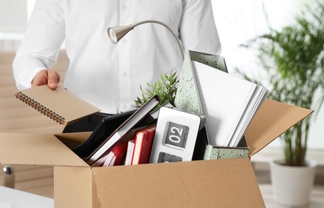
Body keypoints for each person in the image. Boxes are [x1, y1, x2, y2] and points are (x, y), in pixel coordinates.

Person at [13, 0, 221, 122]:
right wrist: (34, 74)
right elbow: (30, 57)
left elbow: (203, 60)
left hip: (164, 122)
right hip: (86, 123)